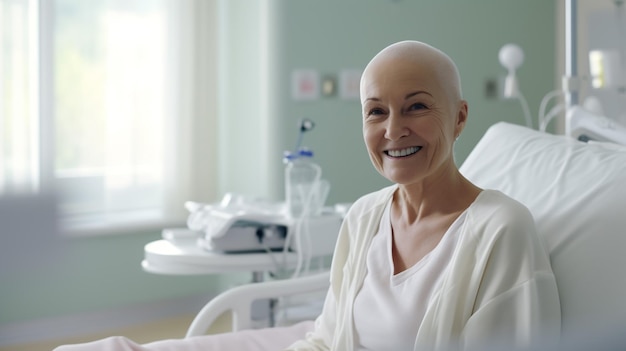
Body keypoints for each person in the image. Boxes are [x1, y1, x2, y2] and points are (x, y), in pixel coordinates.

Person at [54, 40, 560, 351]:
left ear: (461, 116)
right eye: (376, 112)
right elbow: (327, 338)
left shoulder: (500, 229)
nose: (394, 130)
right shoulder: (364, 217)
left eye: (417, 107)